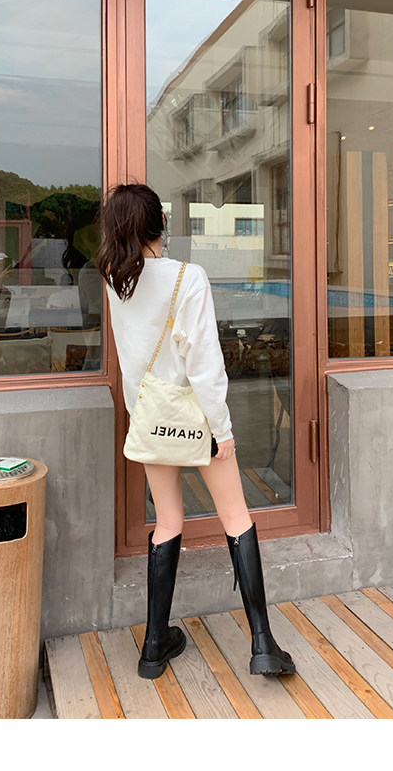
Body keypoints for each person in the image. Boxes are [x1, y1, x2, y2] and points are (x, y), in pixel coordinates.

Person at [97, 183, 295, 680]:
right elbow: (205, 364)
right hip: (194, 418)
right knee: (236, 516)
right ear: (159, 224)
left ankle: (153, 646)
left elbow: (131, 359)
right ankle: (263, 643)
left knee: (167, 521)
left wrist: (139, 411)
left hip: (150, 417)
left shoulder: (115, 280)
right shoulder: (189, 277)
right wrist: (222, 429)